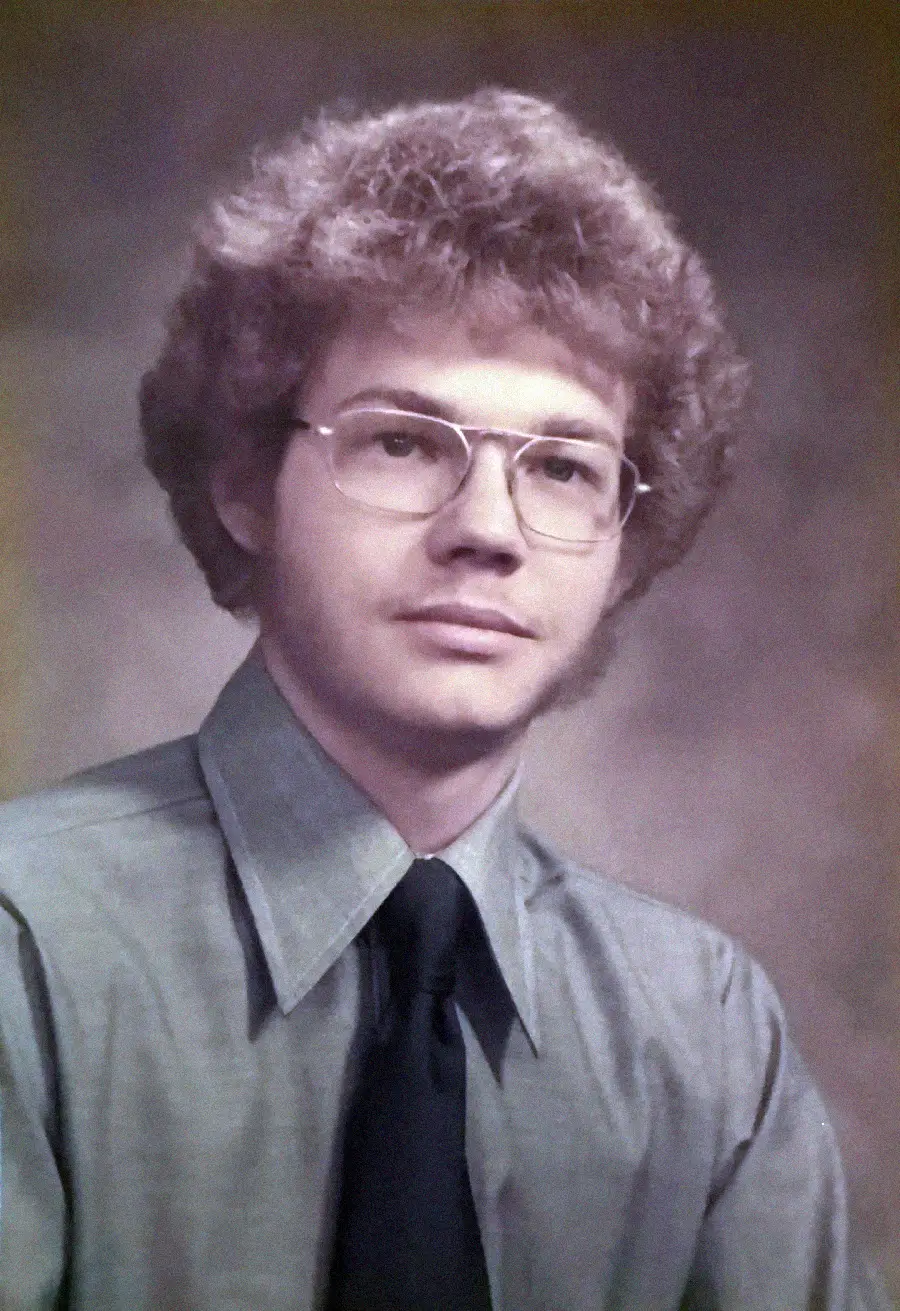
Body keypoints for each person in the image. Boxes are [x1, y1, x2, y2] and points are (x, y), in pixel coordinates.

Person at [0, 89, 890, 1310]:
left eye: (565, 467)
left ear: (624, 545)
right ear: (249, 482)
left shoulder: (708, 1033)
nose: (488, 533)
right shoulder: (23, 951)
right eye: (404, 443)